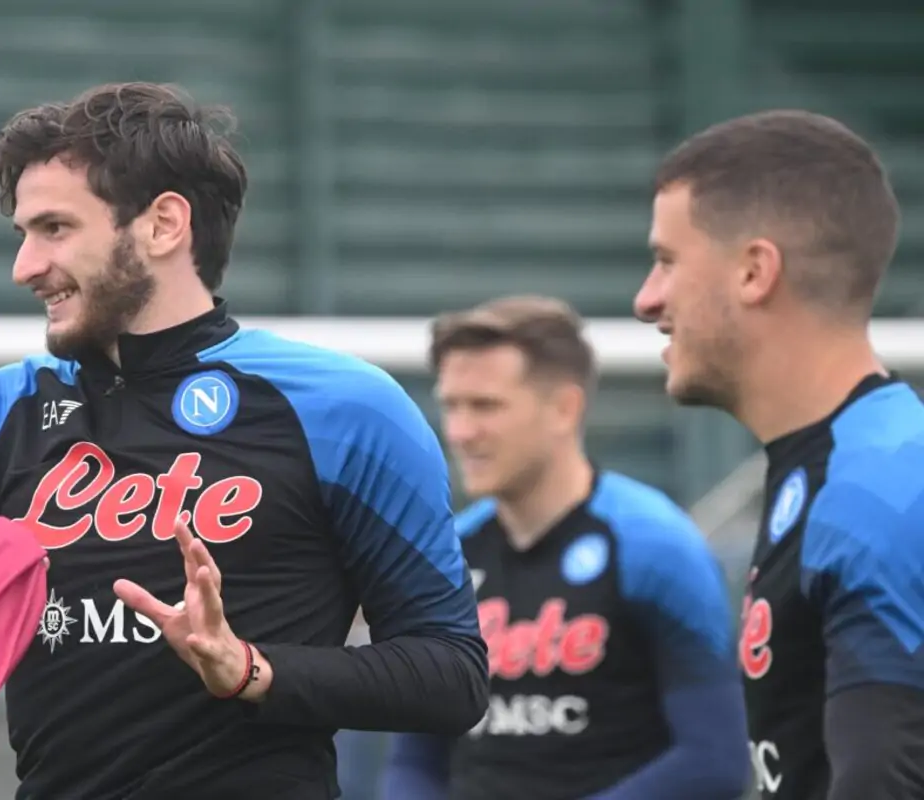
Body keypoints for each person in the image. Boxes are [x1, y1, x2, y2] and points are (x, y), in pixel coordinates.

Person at [0, 82, 488, 800]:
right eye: (24, 234)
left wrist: (252, 671)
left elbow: (452, 676)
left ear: (163, 225)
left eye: (55, 228)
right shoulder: (3, 409)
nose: (24, 267)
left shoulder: (345, 408)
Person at [634, 108, 924, 799]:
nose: (647, 300)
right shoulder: (830, 469)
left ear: (754, 271)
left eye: (667, 261)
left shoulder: (876, 492)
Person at [379, 296, 748, 800]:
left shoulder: (653, 545)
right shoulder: (445, 557)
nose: (460, 432)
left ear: (564, 409)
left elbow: (715, 761)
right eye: (451, 406)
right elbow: (414, 762)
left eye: (485, 406)